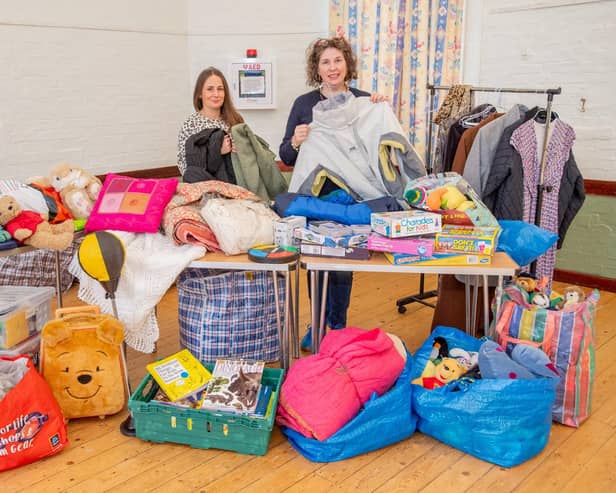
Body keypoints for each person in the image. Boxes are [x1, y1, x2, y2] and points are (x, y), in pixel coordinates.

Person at [279, 36, 387, 350]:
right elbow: (286, 155)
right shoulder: (303, 104)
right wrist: (297, 140)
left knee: (343, 263)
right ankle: (318, 322)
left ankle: (337, 325)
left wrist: (378, 111)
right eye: (325, 62)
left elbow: (378, 150)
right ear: (317, 68)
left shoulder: (364, 101)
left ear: (346, 64)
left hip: (354, 197)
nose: (332, 67)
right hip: (318, 196)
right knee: (317, 259)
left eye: (337, 60)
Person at [177, 67, 244, 176]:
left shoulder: (235, 120)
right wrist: (217, 152)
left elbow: (248, 159)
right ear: (199, 94)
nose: (216, 94)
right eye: (210, 89)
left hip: (237, 184)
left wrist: (242, 151)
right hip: (205, 187)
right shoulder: (190, 125)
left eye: (220, 89)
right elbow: (185, 167)